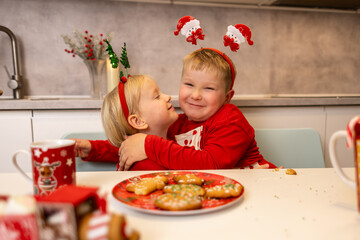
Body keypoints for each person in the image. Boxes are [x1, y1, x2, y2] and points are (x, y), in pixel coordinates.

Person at [118, 48, 277, 170]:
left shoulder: (230, 119)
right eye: (189, 85)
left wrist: (148, 145)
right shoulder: (178, 124)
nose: (195, 95)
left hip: (260, 185)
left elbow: (211, 163)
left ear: (227, 97)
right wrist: (94, 148)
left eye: (208, 88)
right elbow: (131, 145)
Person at [74, 74, 178, 171]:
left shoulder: (171, 141)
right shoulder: (143, 167)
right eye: (157, 96)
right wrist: (93, 148)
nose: (168, 96)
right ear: (138, 121)